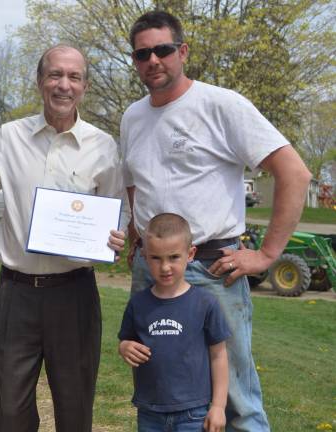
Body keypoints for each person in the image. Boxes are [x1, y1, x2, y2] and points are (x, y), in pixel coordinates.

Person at [121, 10, 312, 432]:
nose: (153, 60)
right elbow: (134, 182)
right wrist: (137, 233)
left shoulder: (221, 105)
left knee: (237, 400)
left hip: (212, 270)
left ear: (182, 51)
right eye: (142, 53)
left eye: (163, 50)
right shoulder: (132, 117)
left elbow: (295, 173)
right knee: (159, 389)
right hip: (151, 272)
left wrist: (266, 254)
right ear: (134, 60)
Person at [0, 44, 127, 431]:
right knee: (12, 412)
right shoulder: (7, 139)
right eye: (55, 75)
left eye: (74, 77)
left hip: (74, 294)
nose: (64, 85)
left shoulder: (103, 147)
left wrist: (115, 236)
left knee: (75, 407)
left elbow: (119, 211)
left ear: (85, 86)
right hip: (17, 294)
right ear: (39, 81)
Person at [119, 213, 229, 432]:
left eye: (173, 257)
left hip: (193, 413)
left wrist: (218, 406)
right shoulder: (138, 303)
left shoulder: (205, 303)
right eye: (156, 258)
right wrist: (124, 348)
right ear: (145, 255)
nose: (165, 267)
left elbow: (219, 356)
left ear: (190, 254)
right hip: (149, 411)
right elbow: (126, 341)